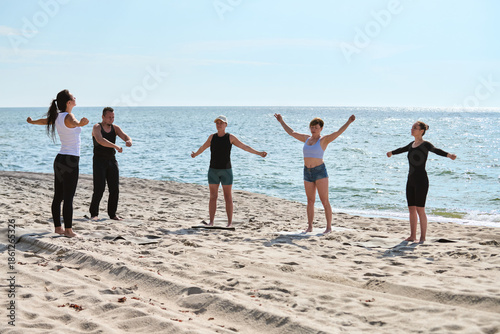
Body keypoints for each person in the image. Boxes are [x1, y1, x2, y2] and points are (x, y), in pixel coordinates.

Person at [274, 113, 356, 234]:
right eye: (312, 127)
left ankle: (328, 227)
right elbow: (292, 132)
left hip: (320, 171)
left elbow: (338, 132)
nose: (313, 130)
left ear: (321, 129)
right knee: (310, 200)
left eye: (316, 128)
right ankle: (310, 226)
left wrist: (348, 122)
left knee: (324, 201)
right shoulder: (306, 139)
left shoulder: (324, 140)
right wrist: (281, 121)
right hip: (307, 172)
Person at [27, 89, 89, 238]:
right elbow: (74, 123)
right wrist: (81, 123)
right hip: (70, 160)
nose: (75, 97)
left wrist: (32, 121)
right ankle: (68, 230)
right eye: (73, 97)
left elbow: (44, 121)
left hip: (60, 159)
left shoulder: (57, 116)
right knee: (68, 197)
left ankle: (58, 228)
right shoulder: (68, 116)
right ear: (69, 102)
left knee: (58, 196)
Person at [387, 121, 457, 243]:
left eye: (415, 128)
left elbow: (436, 150)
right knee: (411, 209)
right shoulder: (411, 144)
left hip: (421, 181)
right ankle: (412, 236)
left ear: (421, 131)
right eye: (412, 127)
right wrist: (391, 153)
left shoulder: (426, 144)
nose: (412, 129)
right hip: (410, 180)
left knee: (420, 209)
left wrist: (448, 155)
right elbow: (402, 149)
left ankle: (422, 237)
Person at [191, 115, 267, 227]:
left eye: (221, 123)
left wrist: (259, 153)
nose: (219, 125)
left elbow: (245, 147)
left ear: (226, 125)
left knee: (228, 197)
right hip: (213, 171)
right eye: (217, 123)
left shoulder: (230, 137)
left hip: (226, 171)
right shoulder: (212, 137)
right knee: (213, 196)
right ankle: (211, 222)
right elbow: (203, 147)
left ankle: (229, 223)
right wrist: (195, 154)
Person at [89, 107, 132, 221]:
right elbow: (100, 140)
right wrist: (116, 146)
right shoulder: (96, 127)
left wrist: (128, 141)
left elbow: (125, 136)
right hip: (99, 161)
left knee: (114, 189)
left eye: (113, 117)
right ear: (103, 117)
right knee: (99, 188)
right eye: (109, 117)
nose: (111, 119)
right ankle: (94, 214)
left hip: (111, 160)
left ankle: (112, 214)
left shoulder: (115, 128)